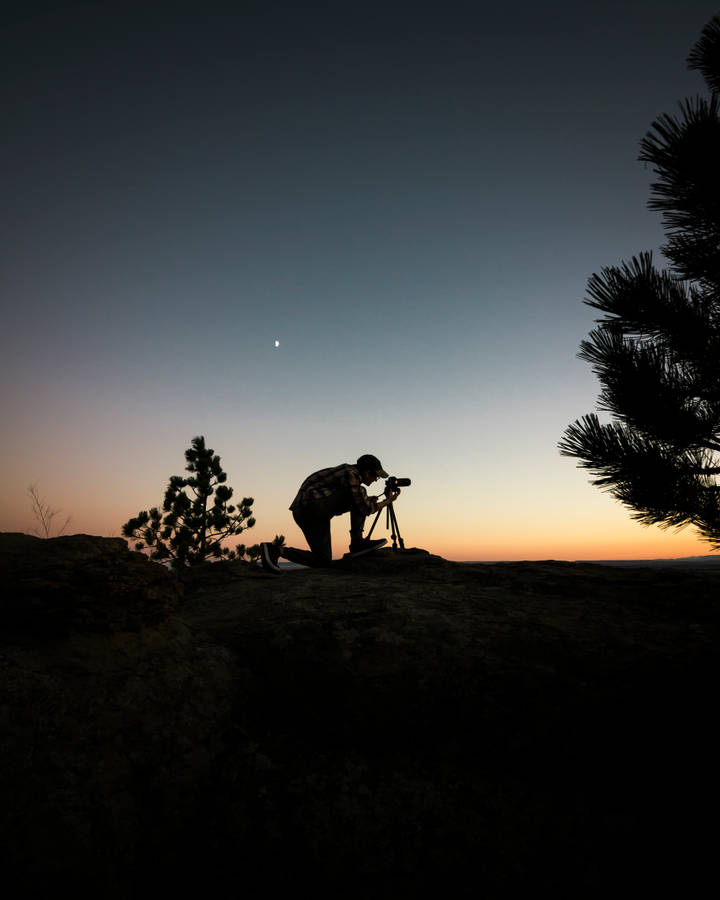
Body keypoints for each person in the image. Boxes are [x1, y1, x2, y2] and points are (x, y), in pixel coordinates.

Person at [260, 454, 401, 572]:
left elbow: (352, 500)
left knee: (323, 560)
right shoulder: (351, 474)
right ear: (367, 472)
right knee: (361, 495)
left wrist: (367, 500)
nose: (375, 480)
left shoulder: (348, 474)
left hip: (305, 512)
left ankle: (276, 551)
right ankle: (357, 543)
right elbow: (364, 509)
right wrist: (388, 501)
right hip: (313, 506)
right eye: (375, 476)